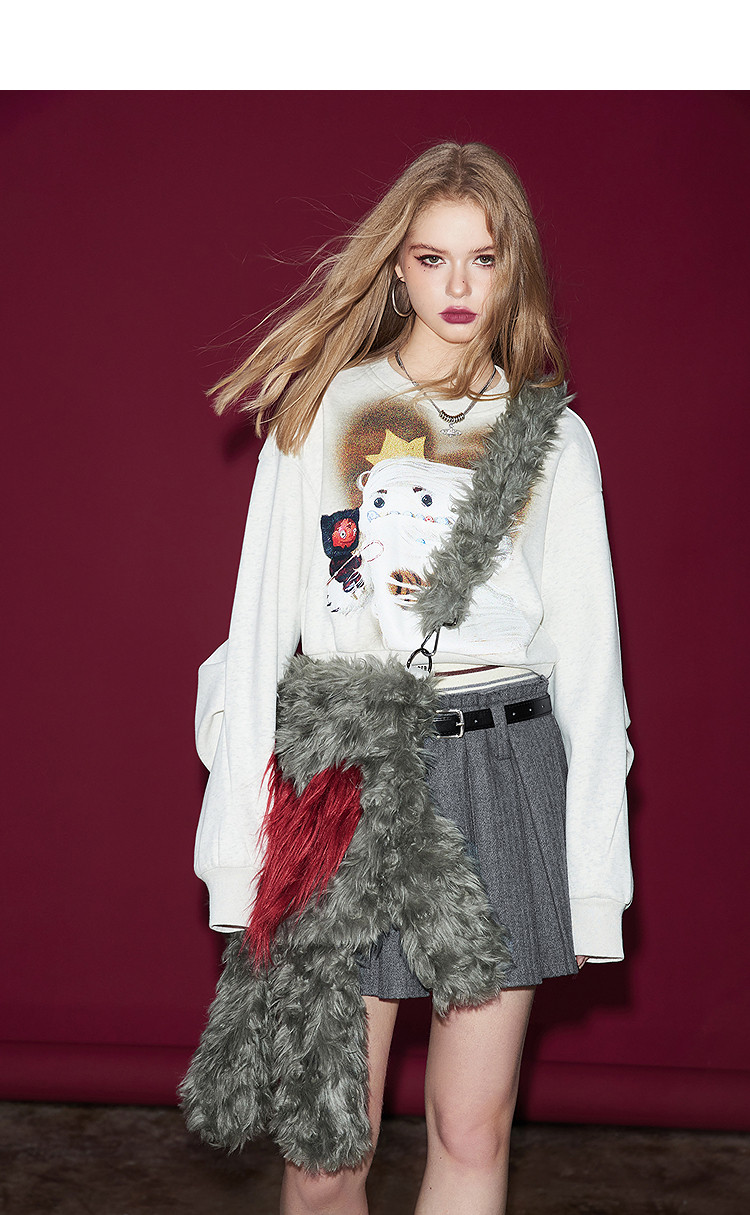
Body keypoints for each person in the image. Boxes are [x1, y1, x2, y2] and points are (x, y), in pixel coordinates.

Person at [189, 142, 633, 1215]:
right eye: (433, 259)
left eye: (484, 258)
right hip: (351, 775)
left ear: (514, 267)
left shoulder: (554, 440)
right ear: (397, 267)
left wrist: (594, 879)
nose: (458, 286)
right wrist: (237, 855)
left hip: (506, 761)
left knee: (472, 1128)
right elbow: (256, 638)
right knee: (325, 1153)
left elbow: (591, 672)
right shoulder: (321, 411)